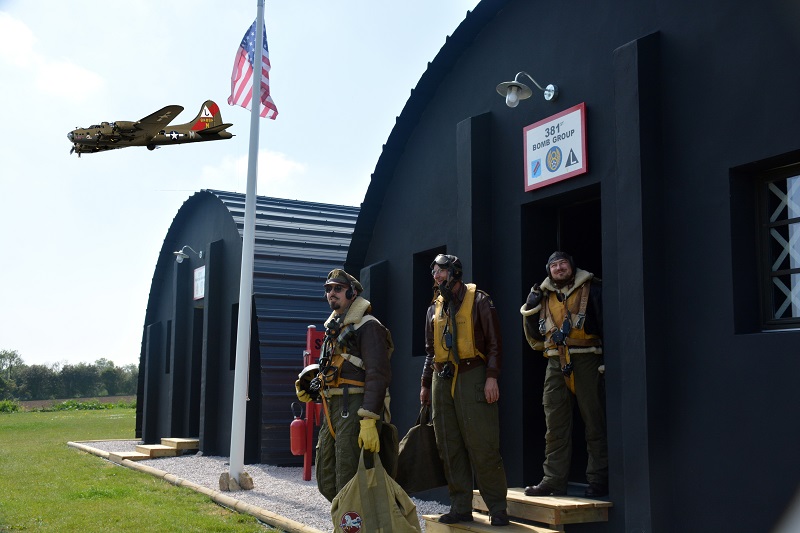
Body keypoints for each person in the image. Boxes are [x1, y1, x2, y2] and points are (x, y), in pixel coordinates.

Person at [420, 254, 510, 527]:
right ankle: (460, 507)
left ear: (455, 272)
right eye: (434, 271)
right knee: (448, 446)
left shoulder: (480, 301)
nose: (437, 275)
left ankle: (497, 508)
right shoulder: (433, 309)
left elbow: (495, 343)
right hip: (440, 378)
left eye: (442, 271)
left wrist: (492, 377)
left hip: (473, 374)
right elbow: (429, 351)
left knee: (483, 445)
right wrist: (425, 383)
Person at [295, 268, 393, 502]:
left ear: (352, 292)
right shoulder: (334, 329)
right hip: (333, 406)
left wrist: (369, 418)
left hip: (356, 405)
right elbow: (329, 367)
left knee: (349, 478)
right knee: (326, 477)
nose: (332, 293)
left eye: (337, 288)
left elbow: (378, 374)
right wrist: (312, 386)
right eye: (328, 289)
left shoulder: (369, 326)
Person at [519, 251, 608, 498]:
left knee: (594, 422)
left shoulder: (593, 289)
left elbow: (607, 324)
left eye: (563, 264)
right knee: (555, 424)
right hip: (556, 362)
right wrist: (531, 305)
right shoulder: (545, 295)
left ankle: (598, 479)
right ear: (549, 270)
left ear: (572, 266)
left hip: (587, 357)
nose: (559, 269)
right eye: (554, 265)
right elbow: (535, 336)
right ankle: (553, 480)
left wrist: (605, 363)